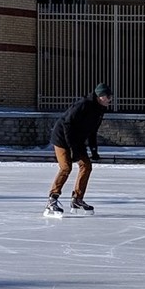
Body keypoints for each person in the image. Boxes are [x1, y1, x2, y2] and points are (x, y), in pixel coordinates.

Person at [46, 82, 111, 215]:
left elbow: (92, 131)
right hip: (62, 138)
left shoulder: (100, 110)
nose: (110, 99)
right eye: (108, 97)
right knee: (66, 168)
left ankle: (77, 199)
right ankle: (52, 199)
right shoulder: (84, 104)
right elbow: (67, 124)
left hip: (77, 140)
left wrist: (94, 151)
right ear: (100, 96)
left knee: (86, 166)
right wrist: (72, 148)